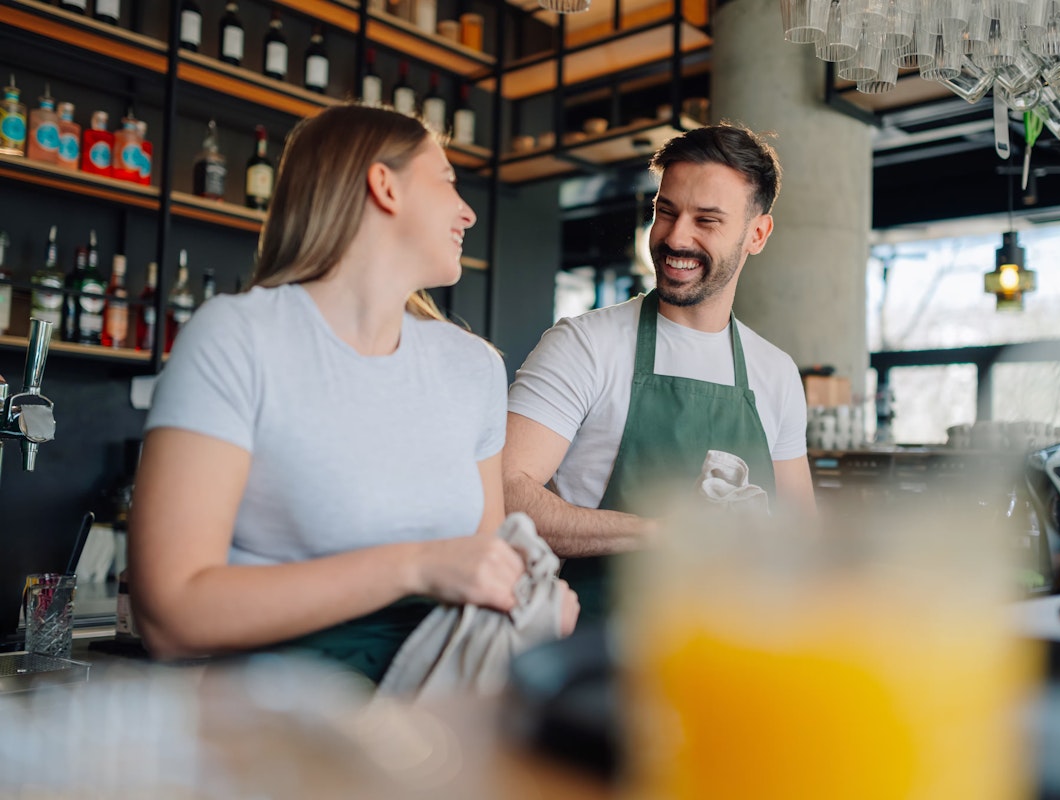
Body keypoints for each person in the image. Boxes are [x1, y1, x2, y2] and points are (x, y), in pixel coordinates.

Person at [129, 104, 577, 683]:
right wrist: (415, 566)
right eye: (446, 181)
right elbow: (170, 615)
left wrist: (528, 608)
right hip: (276, 737)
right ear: (384, 186)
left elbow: (480, 572)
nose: (467, 212)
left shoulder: (475, 368)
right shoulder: (236, 338)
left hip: (440, 737)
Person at [504, 123, 816, 620]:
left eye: (707, 220)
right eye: (665, 211)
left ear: (757, 234)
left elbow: (799, 533)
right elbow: (503, 493)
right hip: (596, 648)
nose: (675, 237)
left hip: (735, 650)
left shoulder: (775, 373)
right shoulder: (585, 345)